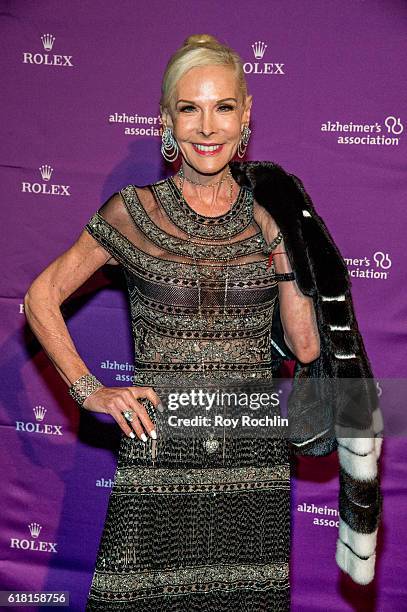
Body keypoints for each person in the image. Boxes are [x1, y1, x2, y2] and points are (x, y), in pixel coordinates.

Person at [24, 34, 382, 610]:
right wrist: (89, 389)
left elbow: (306, 347)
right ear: (167, 120)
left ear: (246, 116)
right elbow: (42, 295)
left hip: (251, 463)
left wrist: (286, 240)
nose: (207, 127)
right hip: (159, 454)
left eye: (223, 107)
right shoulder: (133, 211)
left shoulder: (268, 213)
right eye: (190, 108)